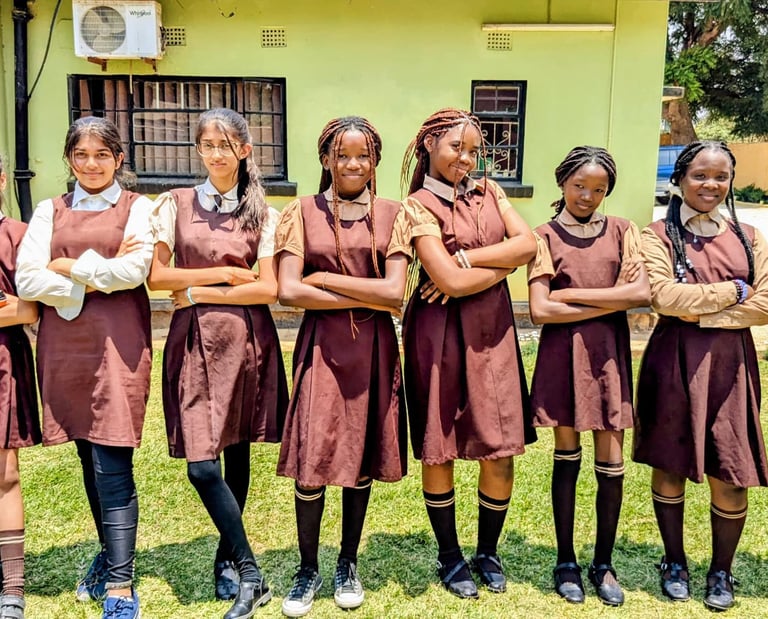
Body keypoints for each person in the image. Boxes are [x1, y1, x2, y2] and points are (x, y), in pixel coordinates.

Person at [147, 108, 287, 619]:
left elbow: (269, 287)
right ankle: (252, 571)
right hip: (192, 341)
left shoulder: (263, 214)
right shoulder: (175, 205)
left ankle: (227, 559)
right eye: (207, 145)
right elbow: (156, 278)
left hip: (247, 342)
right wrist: (228, 278)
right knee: (203, 464)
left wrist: (205, 287)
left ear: (245, 151)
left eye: (226, 145)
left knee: (237, 450)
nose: (216, 153)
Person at [15, 116, 153, 619]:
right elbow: (27, 280)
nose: (91, 165)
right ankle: (108, 555)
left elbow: (135, 271)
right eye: (81, 156)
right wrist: (94, 279)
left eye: (101, 155)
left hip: (118, 345)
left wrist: (69, 268)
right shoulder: (49, 212)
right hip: (64, 349)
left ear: (119, 159)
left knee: (112, 460)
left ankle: (120, 586)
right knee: (87, 458)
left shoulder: (140, 208)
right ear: (69, 160)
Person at [275, 116, 409, 617]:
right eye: (343, 154)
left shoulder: (395, 213)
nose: (353, 164)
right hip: (320, 348)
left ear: (374, 161)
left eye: (363, 155)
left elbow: (395, 291)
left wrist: (326, 281)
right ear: (326, 159)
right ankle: (307, 567)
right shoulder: (301, 212)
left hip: (373, 350)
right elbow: (288, 290)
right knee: (313, 459)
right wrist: (366, 295)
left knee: (359, 457)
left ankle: (347, 563)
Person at [401, 108, 537, 599]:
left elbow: (530, 245)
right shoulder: (414, 206)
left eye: (474, 149)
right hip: (436, 334)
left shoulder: (491, 192)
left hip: (492, 330)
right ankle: (450, 555)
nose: (466, 157)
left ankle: (487, 551)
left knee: (498, 445)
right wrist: (497, 266)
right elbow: (449, 282)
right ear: (430, 145)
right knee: (442, 446)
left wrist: (471, 259)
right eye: (457, 147)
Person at [634, 140, 768, 612]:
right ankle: (674, 562)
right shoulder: (656, 236)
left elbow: (766, 303)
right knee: (670, 464)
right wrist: (734, 290)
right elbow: (664, 297)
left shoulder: (751, 237)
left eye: (721, 177)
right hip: (672, 363)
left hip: (732, 367)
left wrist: (704, 313)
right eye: (699, 176)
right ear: (679, 179)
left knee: (732, 471)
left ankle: (721, 571)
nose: (711, 185)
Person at [527, 146, 650, 607]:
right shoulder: (543, 236)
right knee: (567, 456)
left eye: (599, 189)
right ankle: (565, 561)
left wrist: (573, 296)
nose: (588, 195)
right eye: (580, 186)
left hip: (609, 358)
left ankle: (603, 562)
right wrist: (609, 298)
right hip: (564, 357)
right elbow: (540, 310)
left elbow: (639, 293)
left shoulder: (622, 232)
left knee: (611, 462)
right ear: (562, 183)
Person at [0, 157, 40, 619]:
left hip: (3, 358)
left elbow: (27, 309)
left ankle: (12, 585)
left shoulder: (18, 235)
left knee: (4, 473)